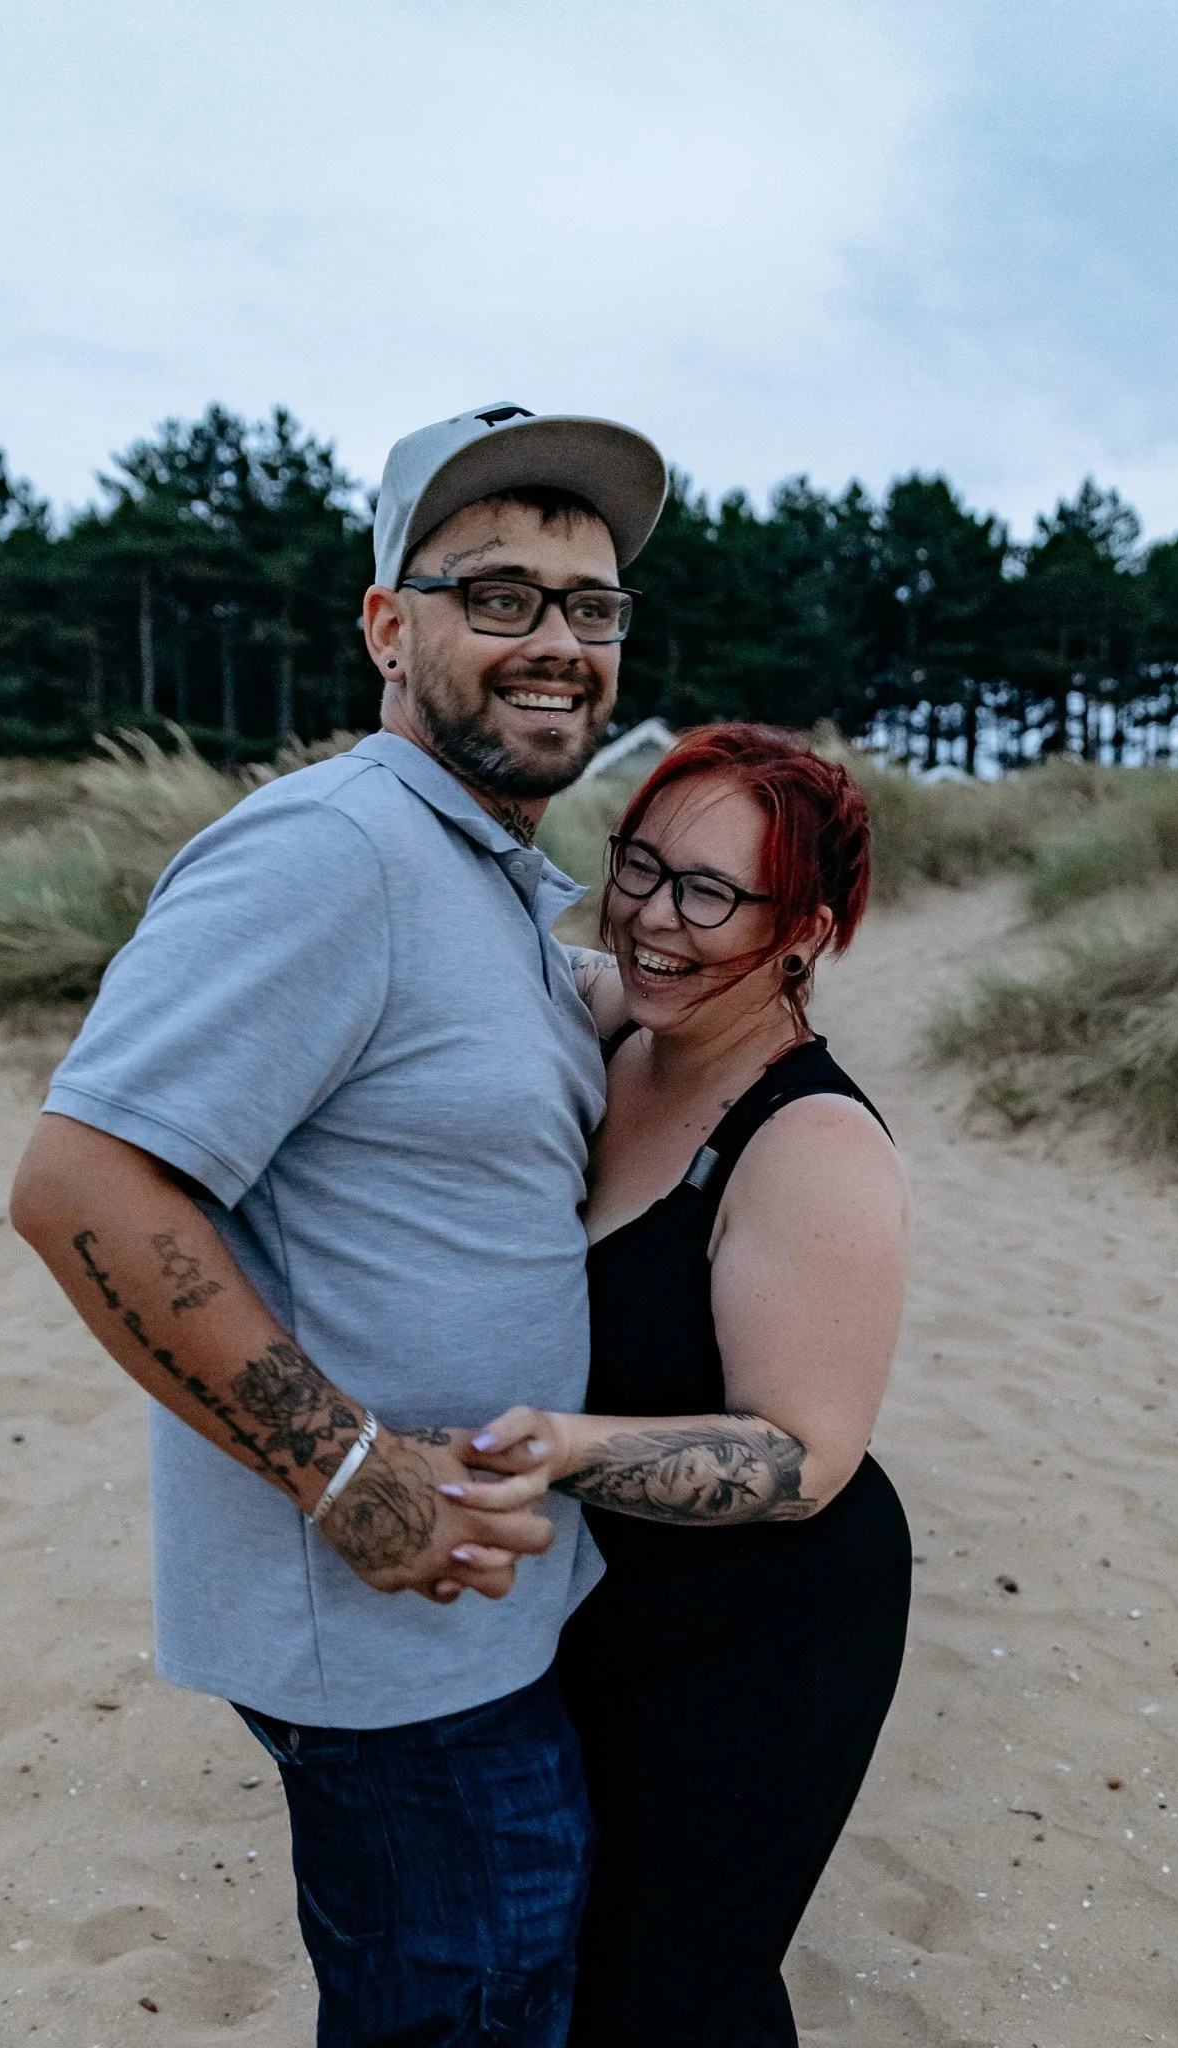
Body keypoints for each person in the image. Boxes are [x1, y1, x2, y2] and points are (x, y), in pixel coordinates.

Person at [9, 400, 667, 2048]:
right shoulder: (333, 851)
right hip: (384, 1630)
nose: (558, 645)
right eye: (497, 595)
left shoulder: (487, 876)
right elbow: (84, 1183)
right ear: (389, 625)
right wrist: (350, 1476)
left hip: (479, 1618)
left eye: (590, 607)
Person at [450, 723, 913, 2047]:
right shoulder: (613, 1024)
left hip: (766, 1624)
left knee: (677, 1990)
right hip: (608, 1604)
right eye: (641, 865)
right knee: (586, 1957)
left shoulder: (810, 1143)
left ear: (805, 930)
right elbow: (473, 954)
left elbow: (806, 1454)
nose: (655, 918)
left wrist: (560, 1449)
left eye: (711, 892)